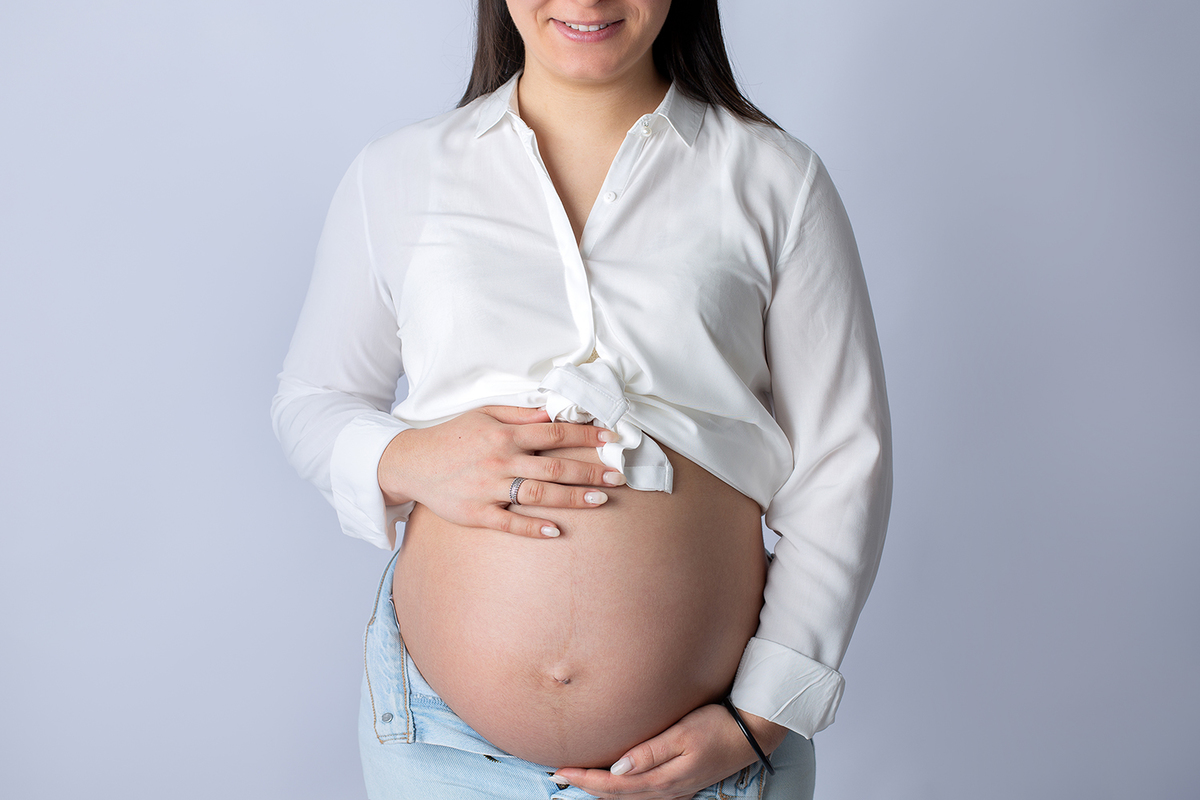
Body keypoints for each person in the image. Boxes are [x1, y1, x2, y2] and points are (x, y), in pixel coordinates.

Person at [272, 1, 892, 797]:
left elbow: (845, 462)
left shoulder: (776, 179)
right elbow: (313, 399)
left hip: (710, 758)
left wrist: (765, 715)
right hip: (440, 748)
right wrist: (411, 457)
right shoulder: (397, 174)